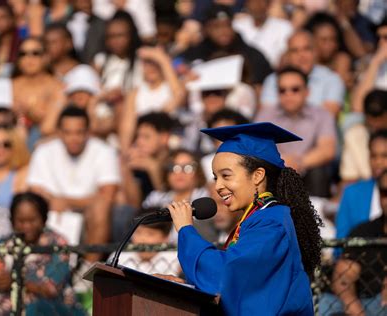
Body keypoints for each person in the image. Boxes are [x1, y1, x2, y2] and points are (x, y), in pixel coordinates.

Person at [165, 122, 322, 315]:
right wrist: (183, 286)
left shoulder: (272, 222)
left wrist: (186, 230)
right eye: (216, 178)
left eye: (226, 176)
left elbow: (228, 274)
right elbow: (245, 288)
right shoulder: (257, 219)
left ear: (257, 176)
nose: (218, 186)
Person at [27, 106, 120, 260]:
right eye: (68, 132)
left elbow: (107, 195)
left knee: (101, 207)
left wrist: (65, 202)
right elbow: (36, 192)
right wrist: (59, 203)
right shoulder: (43, 151)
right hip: (52, 216)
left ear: (88, 132)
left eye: (79, 132)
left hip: (89, 218)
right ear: (59, 132)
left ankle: (88, 274)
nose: (74, 138)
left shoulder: (104, 151)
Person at [0, 192, 84, 315]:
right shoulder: (3, 245)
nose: (26, 226)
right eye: (20, 221)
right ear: (12, 220)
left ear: (44, 219)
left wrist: (15, 281)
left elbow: (51, 290)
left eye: (32, 220)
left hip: (51, 309)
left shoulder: (58, 244)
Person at [256, 66, 337, 198]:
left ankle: (317, 214)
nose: (289, 95)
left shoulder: (322, 114)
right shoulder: (265, 114)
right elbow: (257, 147)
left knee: (318, 172)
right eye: (283, 90)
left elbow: (328, 150)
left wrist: (299, 162)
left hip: (308, 171)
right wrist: (281, 161)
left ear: (307, 91)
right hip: (275, 170)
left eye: (295, 89)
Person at [320, 169, 387, 315]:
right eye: (384, 192)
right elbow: (344, 276)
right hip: (366, 303)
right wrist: (353, 305)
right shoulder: (364, 232)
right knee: (327, 303)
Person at [261, 30, 345, 117]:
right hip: (280, 130)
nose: (301, 55)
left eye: (306, 49)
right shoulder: (272, 80)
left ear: (315, 52)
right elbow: (267, 115)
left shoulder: (332, 79)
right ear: (288, 56)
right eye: (295, 51)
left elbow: (329, 115)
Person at [336, 129, 387, 239]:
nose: (378, 162)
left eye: (384, 156)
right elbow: (341, 241)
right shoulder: (352, 193)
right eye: (373, 156)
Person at [109, 207, 180, 276]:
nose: (143, 239)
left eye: (150, 234)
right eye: (138, 232)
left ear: (165, 237)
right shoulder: (120, 256)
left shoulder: (177, 260)